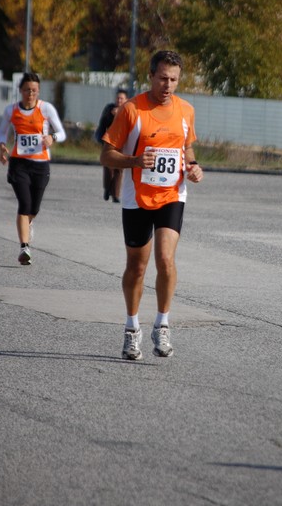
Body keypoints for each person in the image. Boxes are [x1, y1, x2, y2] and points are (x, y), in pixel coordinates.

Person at [100, 50, 203, 360]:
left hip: (172, 194)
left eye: (173, 80)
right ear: (151, 77)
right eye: (162, 78)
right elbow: (106, 155)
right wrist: (133, 160)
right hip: (137, 197)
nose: (167, 85)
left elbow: (188, 148)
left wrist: (194, 166)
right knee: (138, 266)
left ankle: (162, 323)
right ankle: (132, 328)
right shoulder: (131, 110)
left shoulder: (186, 110)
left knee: (166, 260)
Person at [0, 72, 66, 265]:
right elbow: (2, 132)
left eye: (34, 90)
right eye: (27, 90)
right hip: (19, 163)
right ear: (21, 91)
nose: (30, 94)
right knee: (24, 204)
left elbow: (61, 132)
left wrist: (52, 137)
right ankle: (24, 247)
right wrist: (2, 146)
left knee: (34, 208)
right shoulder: (11, 110)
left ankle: (28, 225)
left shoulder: (46, 109)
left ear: (38, 91)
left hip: (40, 164)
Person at [95, 88, 128, 203]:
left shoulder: (128, 110)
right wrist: (111, 115)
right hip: (109, 141)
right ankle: (107, 189)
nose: (119, 100)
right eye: (118, 98)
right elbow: (103, 123)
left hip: (123, 142)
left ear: (126, 100)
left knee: (119, 169)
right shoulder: (109, 109)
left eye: (122, 98)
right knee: (108, 167)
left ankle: (116, 194)